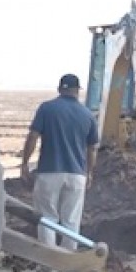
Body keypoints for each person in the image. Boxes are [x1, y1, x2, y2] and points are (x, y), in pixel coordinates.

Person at [20, 74, 99, 250]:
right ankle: (68, 260)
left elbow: (33, 136)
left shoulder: (46, 109)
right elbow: (92, 148)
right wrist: (89, 172)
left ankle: (49, 262)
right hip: (77, 175)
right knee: (71, 221)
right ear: (77, 91)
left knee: (47, 218)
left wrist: (24, 163)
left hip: (49, 172)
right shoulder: (87, 115)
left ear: (59, 89)